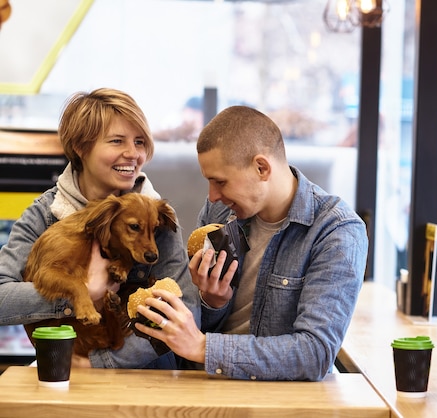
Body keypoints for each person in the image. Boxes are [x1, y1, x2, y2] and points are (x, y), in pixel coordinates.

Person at [134, 105, 368, 381]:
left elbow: (314, 354)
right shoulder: (220, 214)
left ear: (262, 167)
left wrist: (204, 348)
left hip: (279, 400)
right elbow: (198, 323)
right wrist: (212, 304)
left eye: (220, 182)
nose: (211, 196)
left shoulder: (336, 231)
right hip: (203, 384)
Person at [0, 88, 200, 369]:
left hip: (145, 376)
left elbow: (186, 309)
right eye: (117, 141)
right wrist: (82, 293)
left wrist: (101, 362)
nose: (133, 154)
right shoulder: (44, 215)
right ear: (81, 147)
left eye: (140, 142)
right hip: (67, 367)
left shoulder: (158, 216)